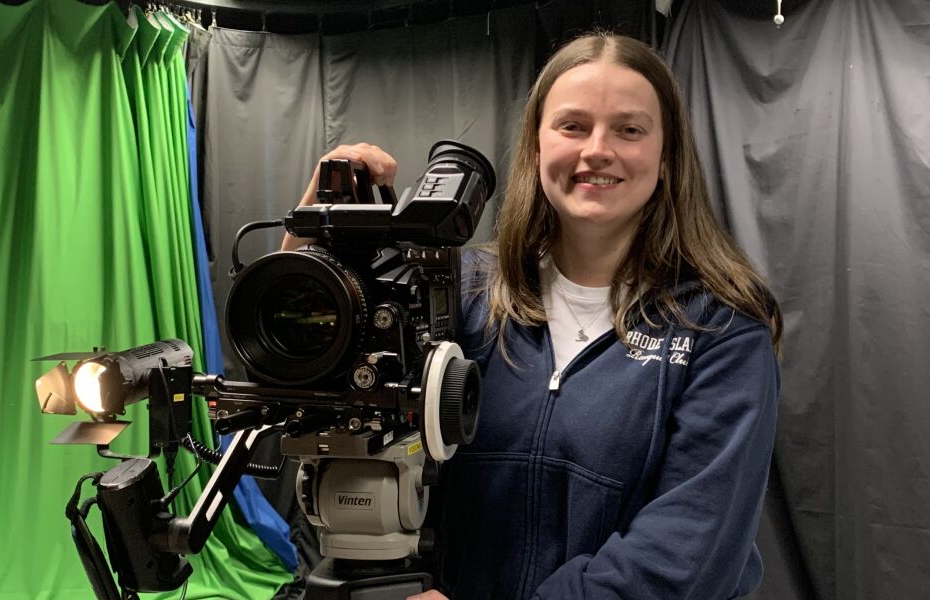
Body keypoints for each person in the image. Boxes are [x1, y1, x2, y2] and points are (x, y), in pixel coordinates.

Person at [282, 31, 782, 600]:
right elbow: (307, 361)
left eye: (629, 129)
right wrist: (310, 232)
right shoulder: (459, 294)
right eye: (573, 126)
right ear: (538, 147)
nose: (598, 149)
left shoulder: (720, 327)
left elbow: (687, 555)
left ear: (666, 158)